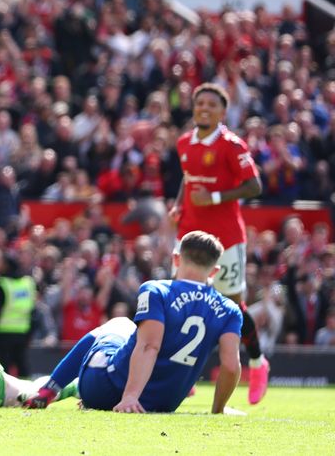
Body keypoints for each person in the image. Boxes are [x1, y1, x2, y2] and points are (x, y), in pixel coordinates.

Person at [24, 231, 244, 414]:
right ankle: (66, 388)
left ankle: (50, 389)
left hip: (106, 390)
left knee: (118, 323)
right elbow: (231, 366)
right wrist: (218, 410)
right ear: (214, 271)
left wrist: (130, 397)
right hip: (162, 404)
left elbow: (149, 346)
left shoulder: (157, 290)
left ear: (176, 259)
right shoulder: (230, 309)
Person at [168, 83, 267, 403]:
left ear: (223, 112)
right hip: (189, 234)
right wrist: (179, 204)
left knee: (234, 305)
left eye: (212, 104)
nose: (204, 108)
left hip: (226, 239)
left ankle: (257, 362)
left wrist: (214, 197)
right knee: (179, 302)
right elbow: (187, 175)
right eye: (200, 103)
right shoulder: (184, 142)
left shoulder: (231, 145)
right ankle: (182, 374)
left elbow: (254, 186)